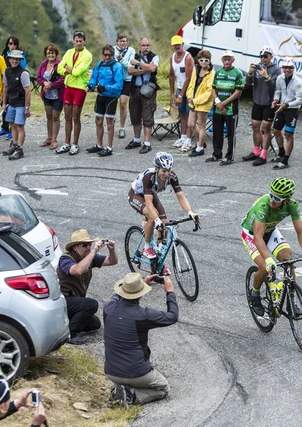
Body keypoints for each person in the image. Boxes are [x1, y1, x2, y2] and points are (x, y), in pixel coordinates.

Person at [241, 177, 302, 316]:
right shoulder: (263, 206)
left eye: (276, 199)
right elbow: (258, 237)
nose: (272, 200)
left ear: (286, 199)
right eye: (271, 195)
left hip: (270, 231)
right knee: (265, 267)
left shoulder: (292, 205)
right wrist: (268, 260)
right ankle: (255, 294)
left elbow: (300, 231)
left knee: (288, 260)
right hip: (252, 234)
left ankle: (291, 300)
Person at [104, 272, 178, 407]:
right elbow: (172, 316)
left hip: (111, 372)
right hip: (136, 372)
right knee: (163, 388)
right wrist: (170, 292)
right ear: (141, 293)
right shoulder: (143, 315)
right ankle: (131, 394)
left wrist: (141, 284)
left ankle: (120, 388)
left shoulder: (108, 308)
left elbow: (117, 298)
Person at [128, 152, 198, 263]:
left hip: (152, 194)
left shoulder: (172, 176)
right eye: (163, 171)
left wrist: (190, 212)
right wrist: (156, 220)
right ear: (156, 169)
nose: (166, 174)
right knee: (152, 217)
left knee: (165, 226)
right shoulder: (149, 177)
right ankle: (147, 248)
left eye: (169, 171)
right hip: (137, 195)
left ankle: (157, 261)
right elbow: (149, 203)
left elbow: (180, 196)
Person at [57, 229, 118, 345]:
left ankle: (62, 324)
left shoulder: (88, 257)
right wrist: (94, 251)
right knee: (91, 304)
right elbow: (78, 270)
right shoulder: (65, 259)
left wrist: (112, 250)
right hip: (63, 301)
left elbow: (112, 261)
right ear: (75, 247)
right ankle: (70, 334)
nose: (88, 248)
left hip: (75, 303)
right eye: (85, 245)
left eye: (90, 245)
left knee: (95, 324)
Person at [242, 45, 281, 166]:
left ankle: (263, 154)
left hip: (269, 103)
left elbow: (274, 87)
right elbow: (247, 85)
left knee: (266, 128)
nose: (263, 59)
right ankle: (256, 151)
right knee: (255, 126)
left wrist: (266, 77)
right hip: (257, 102)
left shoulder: (276, 69)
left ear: (271, 57)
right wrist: (249, 74)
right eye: (261, 56)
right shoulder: (258, 67)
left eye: (266, 56)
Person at [56, 30, 93, 156]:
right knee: (67, 117)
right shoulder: (69, 52)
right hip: (68, 87)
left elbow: (78, 72)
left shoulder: (87, 55)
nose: (78, 43)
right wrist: (69, 70)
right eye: (76, 41)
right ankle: (66, 142)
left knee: (76, 117)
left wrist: (69, 70)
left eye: (80, 41)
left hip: (79, 88)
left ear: (84, 41)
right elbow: (59, 68)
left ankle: (75, 144)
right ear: (74, 41)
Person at [86, 44, 124, 157]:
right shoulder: (100, 64)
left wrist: (106, 88)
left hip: (111, 97)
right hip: (101, 96)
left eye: (109, 55)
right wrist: (90, 86)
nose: (107, 57)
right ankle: (99, 145)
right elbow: (94, 78)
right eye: (105, 55)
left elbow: (119, 86)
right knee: (98, 120)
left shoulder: (117, 66)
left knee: (109, 123)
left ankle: (109, 147)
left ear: (113, 55)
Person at [206, 50, 244, 165]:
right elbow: (213, 89)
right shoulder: (218, 72)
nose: (226, 61)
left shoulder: (238, 73)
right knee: (217, 132)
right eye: (224, 59)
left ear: (233, 60)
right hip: (218, 107)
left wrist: (224, 103)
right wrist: (218, 102)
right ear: (222, 60)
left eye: (229, 59)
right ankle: (217, 154)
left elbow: (238, 92)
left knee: (231, 133)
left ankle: (229, 156)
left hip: (231, 108)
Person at [126, 37, 160, 154]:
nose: (146, 48)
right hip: (135, 89)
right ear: (139, 46)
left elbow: (153, 68)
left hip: (148, 91)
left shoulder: (154, 57)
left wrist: (139, 64)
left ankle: (147, 143)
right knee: (134, 116)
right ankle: (136, 140)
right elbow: (130, 71)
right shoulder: (134, 56)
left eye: (147, 45)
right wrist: (146, 69)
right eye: (143, 45)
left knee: (147, 117)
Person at [271, 57, 302, 170]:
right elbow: (277, 91)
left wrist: (286, 105)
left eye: (289, 68)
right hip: (281, 107)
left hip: (292, 109)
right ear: (282, 68)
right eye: (285, 68)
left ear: (293, 68)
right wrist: (275, 100)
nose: (287, 70)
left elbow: (299, 99)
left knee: (288, 135)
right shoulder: (280, 78)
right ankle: (281, 152)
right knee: (275, 130)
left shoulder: (299, 82)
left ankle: (285, 160)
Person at [1, 50, 31, 161]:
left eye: (17, 59)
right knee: (12, 125)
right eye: (12, 58)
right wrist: (4, 103)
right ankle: (14, 144)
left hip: (20, 103)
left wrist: (27, 107)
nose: (14, 61)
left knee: (19, 126)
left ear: (20, 60)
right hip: (11, 102)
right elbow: (5, 87)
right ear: (9, 59)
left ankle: (20, 149)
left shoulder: (23, 73)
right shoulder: (7, 71)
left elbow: (28, 91)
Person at [186, 49, 215, 157]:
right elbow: (191, 85)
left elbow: (209, 92)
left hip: (203, 103)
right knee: (191, 124)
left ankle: (200, 148)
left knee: (202, 125)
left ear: (210, 61)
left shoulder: (211, 73)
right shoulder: (196, 70)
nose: (203, 62)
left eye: (206, 60)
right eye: (201, 60)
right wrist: (189, 96)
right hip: (193, 101)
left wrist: (196, 100)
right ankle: (200, 141)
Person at [0, 36, 27, 140]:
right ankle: (5, 128)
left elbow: (22, 68)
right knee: (6, 108)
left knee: (16, 114)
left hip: (17, 85)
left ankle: (12, 132)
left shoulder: (21, 56)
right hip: (6, 83)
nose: (12, 46)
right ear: (7, 44)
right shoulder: (3, 56)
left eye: (14, 44)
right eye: (10, 44)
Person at [36, 43, 65, 150]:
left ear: (56, 53)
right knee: (49, 116)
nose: (50, 55)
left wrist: (51, 85)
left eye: (52, 52)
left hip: (58, 95)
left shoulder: (60, 64)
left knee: (55, 116)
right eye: (48, 53)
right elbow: (38, 77)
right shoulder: (43, 64)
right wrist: (44, 83)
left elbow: (63, 79)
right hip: (47, 95)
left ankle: (54, 139)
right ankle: (49, 138)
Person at [168, 35, 194, 152]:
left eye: (179, 44)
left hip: (190, 90)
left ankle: (189, 140)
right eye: (175, 44)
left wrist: (180, 95)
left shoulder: (188, 58)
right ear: (172, 46)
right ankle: (183, 138)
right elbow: (171, 75)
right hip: (179, 88)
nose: (177, 46)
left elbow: (188, 78)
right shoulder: (172, 57)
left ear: (182, 44)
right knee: (182, 115)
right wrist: (172, 93)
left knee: (189, 116)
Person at [114, 33, 135, 140]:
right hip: (114, 80)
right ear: (117, 42)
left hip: (126, 80)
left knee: (123, 103)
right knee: (112, 103)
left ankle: (122, 127)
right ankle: (111, 124)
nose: (122, 43)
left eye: (124, 41)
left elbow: (130, 66)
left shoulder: (131, 51)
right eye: (120, 41)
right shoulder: (113, 50)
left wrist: (121, 60)